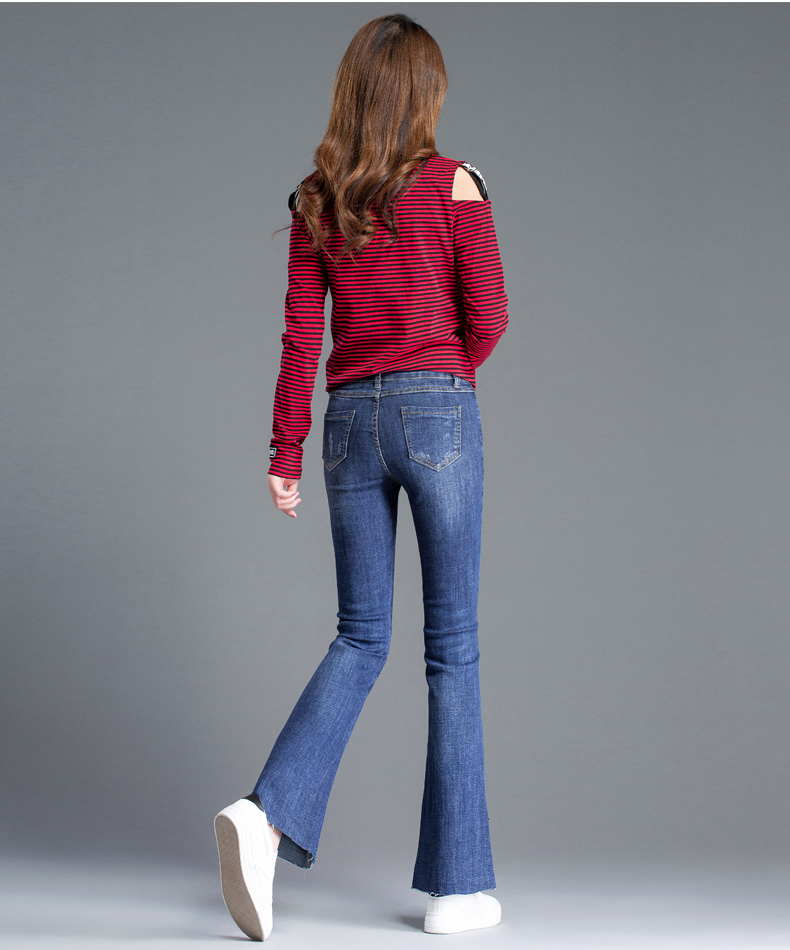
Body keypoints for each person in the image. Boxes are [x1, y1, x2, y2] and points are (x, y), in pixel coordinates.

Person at [214, 12, 509, 940]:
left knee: (359, 637)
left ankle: (265, 814)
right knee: (452, 648)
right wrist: (441, 378)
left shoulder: (317, 197)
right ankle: (457, 890)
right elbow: (491, 314)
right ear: (427, 94)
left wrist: (283, 453)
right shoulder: (455, 184)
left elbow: (302, 336)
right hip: (438, 411)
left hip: (347, 422)